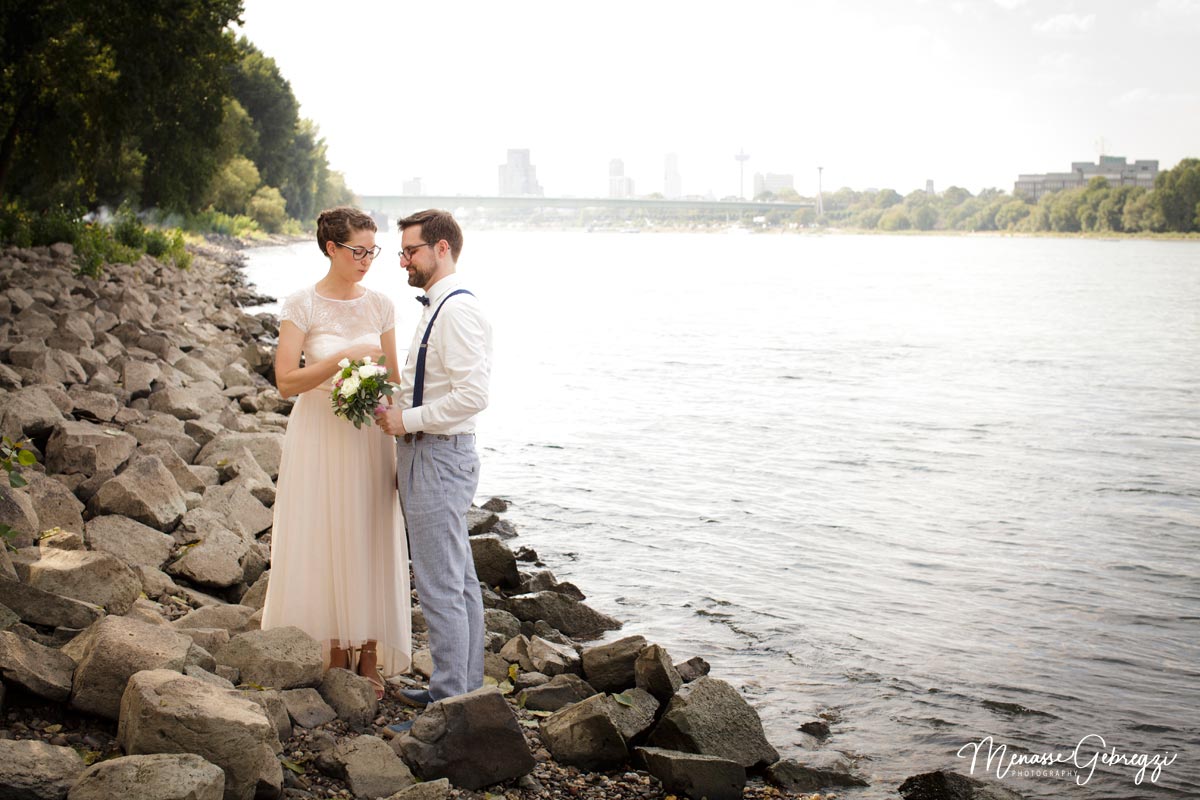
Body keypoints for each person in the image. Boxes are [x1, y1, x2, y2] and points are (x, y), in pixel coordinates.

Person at [261, 206, 411, 699]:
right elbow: (286, 382)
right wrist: (341, 362)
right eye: (357, 251)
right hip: (320, 432)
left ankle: (368, 652)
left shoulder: (382, 305)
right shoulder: (301, 304)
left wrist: (392, 417)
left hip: (368, 434)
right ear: (332, 248)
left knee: (369, 530)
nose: (367, 260)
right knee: (325, 529)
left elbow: (392, 379)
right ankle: (330, 647)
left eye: (373, 251)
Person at [375, 209, 492, 710]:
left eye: (410, 250)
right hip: (433, 454)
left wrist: (408, 421)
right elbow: (434, 381)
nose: (402, 260)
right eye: (401, 251)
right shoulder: (435, 307)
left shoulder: (458, 310)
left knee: (441, 584)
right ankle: (461, 689)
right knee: (457, 578)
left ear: (441, 248)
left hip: (439, 457)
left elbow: (473, 396)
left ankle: (448, 703)